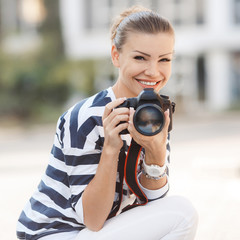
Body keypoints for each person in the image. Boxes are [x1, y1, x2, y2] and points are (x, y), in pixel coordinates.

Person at [16, 5, 198, 240]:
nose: (153, 72)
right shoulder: (85, 117)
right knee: (182, 213)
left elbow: (153, 205)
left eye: (164, 59)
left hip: (96, 233)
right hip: (55, 234)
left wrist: (157, 152)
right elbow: (92, 219)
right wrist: (111, 148)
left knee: (178, 212)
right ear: (116, 55)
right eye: (140, 57)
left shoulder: (155, 112)